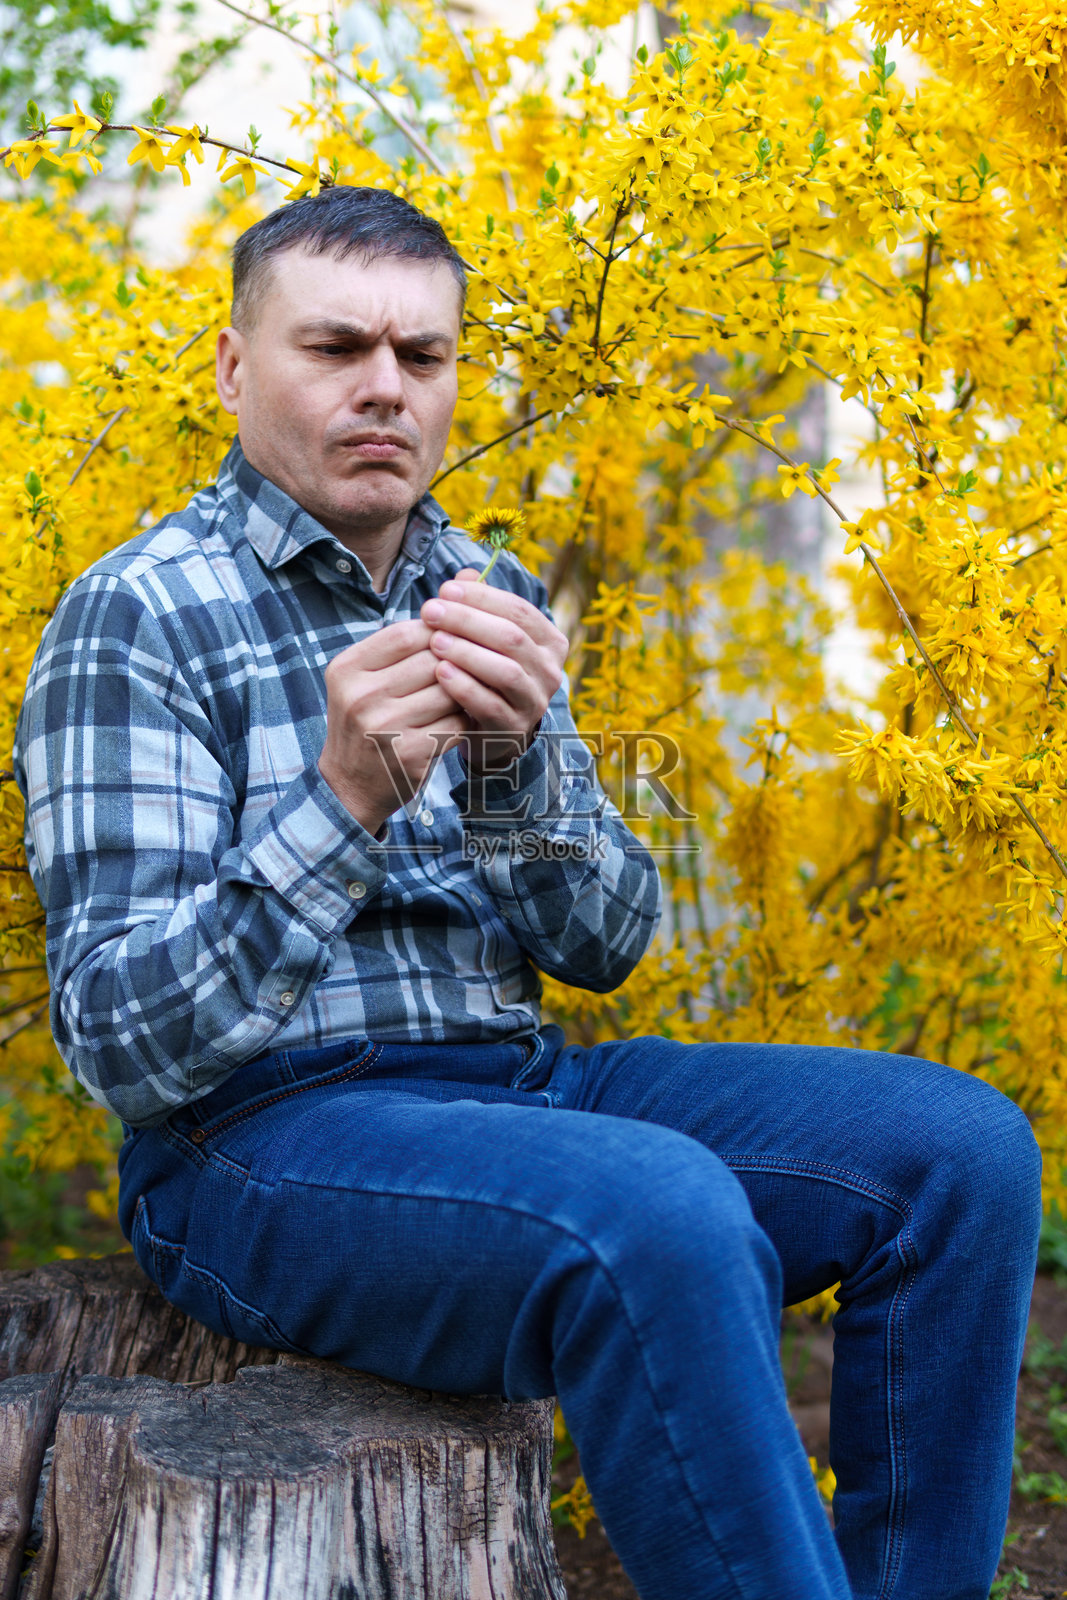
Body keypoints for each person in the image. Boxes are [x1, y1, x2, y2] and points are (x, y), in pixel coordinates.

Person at [13, 184, 1040, 1600]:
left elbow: (608, 940)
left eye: (422, 355)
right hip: (252, 1142)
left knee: (961, 1155)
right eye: (336, 347)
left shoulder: (479, 586)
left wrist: (515, 768)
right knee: (658, 1212)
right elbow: (124, 1047)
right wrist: (343, 803)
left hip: (517, 1088)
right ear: (236, 371)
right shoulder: (137, 614)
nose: (386, 387)